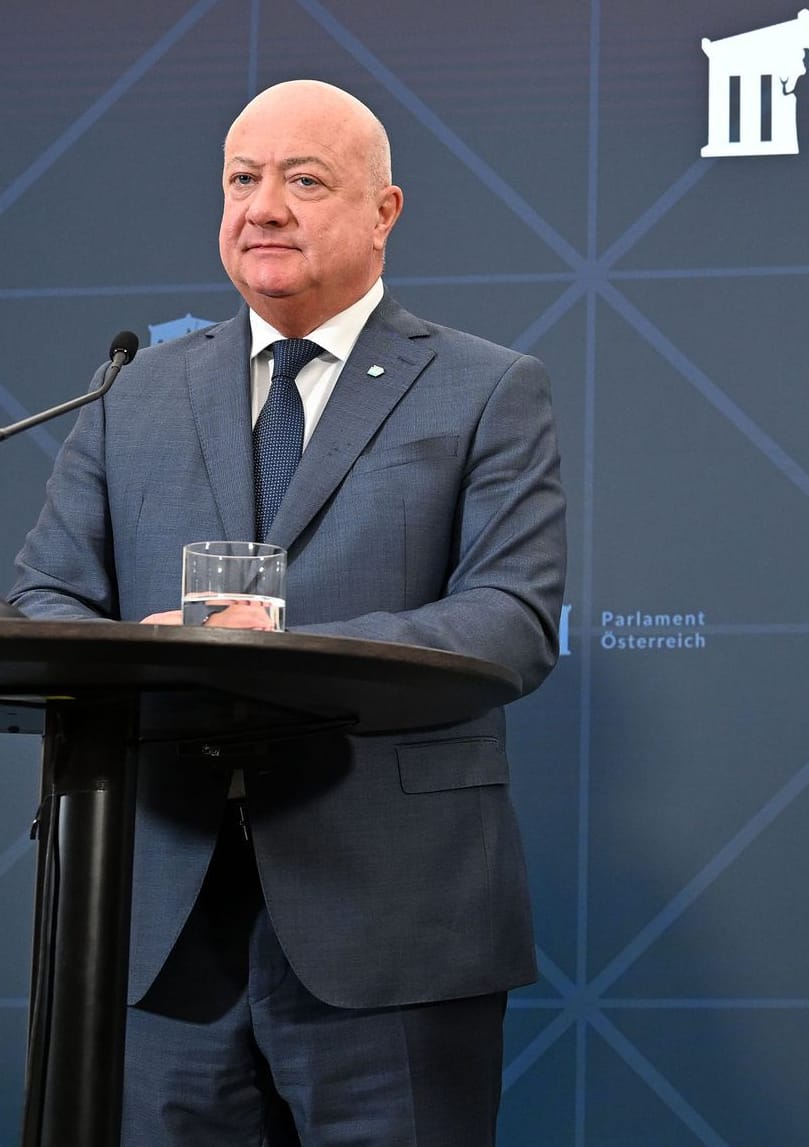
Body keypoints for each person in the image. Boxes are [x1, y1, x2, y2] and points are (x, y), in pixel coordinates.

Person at [9, 79, 566, 1145]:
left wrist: (285, 655)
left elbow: (510, 617)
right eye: (241, 179)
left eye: (303, 181)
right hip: (153, 922)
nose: (262, 206)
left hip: (391, 918)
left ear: (383, 211)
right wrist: (148, 654)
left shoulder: (487, 389)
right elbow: (46, 596)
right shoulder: (133, 394)